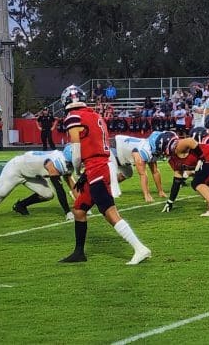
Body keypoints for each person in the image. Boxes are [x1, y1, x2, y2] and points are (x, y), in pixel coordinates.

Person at [58, 85, 150, 265]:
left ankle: (140, 248)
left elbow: (76, 151)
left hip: (95, 167)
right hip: (101, 164)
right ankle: (79, 252)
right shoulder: (94, 114)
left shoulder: (73, 117)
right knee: (79, 209)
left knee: (109, 211)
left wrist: (78, 170)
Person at [112, 134, 167, 203]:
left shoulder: (150, 148)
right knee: (109, 174)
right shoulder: (144, 150)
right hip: (114, 147)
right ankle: (102, 190)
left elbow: (155, 171)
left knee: (127, 173)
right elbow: (142, 174)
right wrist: (146, 195)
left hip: (122, 151)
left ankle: (109, 186)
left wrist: (160, 191)